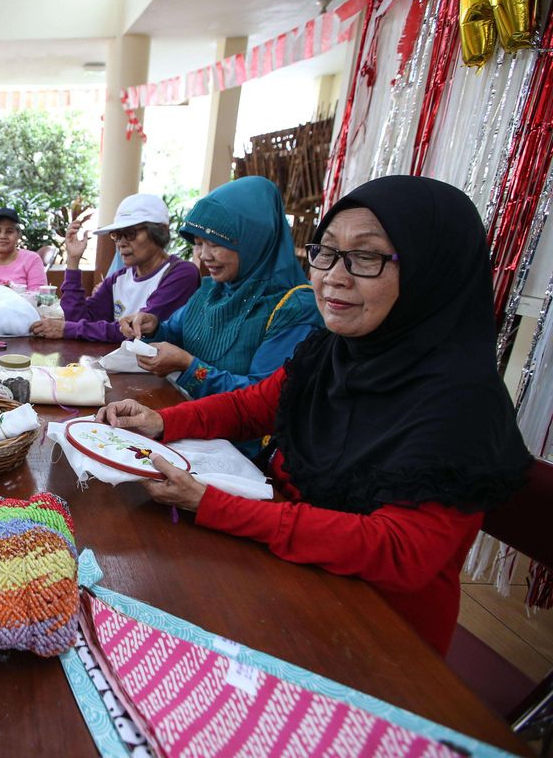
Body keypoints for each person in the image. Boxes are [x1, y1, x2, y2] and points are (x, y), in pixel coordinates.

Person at [95, 176, 532, 654]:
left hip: (374, 634)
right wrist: (161, 422)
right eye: (325, 252)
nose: (332, 277)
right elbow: (253, 405)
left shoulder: (461, 404)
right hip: (286, 573)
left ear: (433, 270)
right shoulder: (336, 351)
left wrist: (215, 504)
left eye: (365, 257)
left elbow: (397, 551)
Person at [118, 177, 323, 402]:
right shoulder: (213, 291)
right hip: (189, 419)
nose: (204, 256)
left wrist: (189, 366)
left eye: (215, 244)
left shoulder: (295, 308)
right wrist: (153, 327)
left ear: (253, 240)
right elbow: (174, 332)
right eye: (198, 243)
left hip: (238, 437)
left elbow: (264, 398)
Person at [32, 193, 199, 342]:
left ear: (161, 231)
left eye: (130, 233)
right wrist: (73, 262)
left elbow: (138, 330)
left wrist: (67, 329)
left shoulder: (181, 274)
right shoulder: (118, 278)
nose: (121, 243)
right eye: (117, 235)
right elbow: (77, 319)